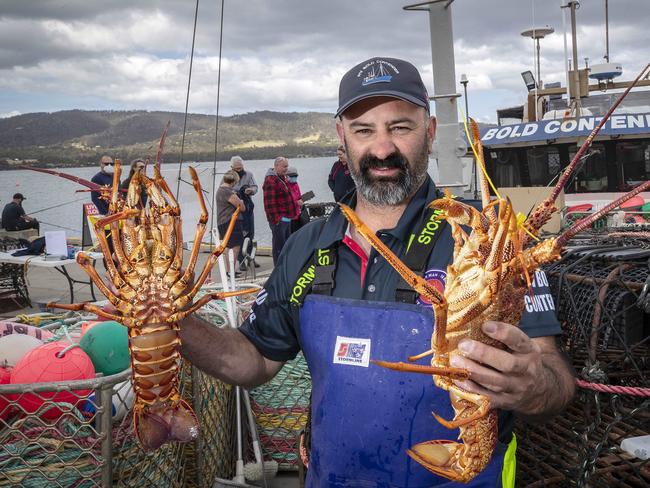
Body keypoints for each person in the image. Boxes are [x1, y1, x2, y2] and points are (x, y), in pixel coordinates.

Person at [180, 57, 575, 487]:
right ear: (341, 138)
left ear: (431, 129)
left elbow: (556, 378)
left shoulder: (498, 244)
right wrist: (170, 321)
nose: (383, 149)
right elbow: (253, 359)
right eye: (363, 129)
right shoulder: (305, 246)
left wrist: (535, 386)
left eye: (400, 127)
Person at [262, 156, 299, 264]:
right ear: (276, 166)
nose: (286, 169)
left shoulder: (282, 178)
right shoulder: (271, 180)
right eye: (284, 166)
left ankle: (285, 266)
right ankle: (278, 268)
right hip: (279, 220)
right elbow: (270, 203)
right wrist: (277, 219)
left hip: (286, 218)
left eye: (287, 166)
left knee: (286, 245)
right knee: (279, 246)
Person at [231, 156, 259, 271]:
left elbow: (255, 187)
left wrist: (251, 190)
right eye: (237, 169)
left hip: (247, 207)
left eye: (241, 168)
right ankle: (241, 260)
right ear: (232, 168)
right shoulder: (228, 177)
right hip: (235, 209)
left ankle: (251, 258)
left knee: (250, 234)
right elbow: (223, 190)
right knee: (239, 235)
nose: (239, 170)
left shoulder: (249, 174)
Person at [216, 170, 245, 277]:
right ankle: (230, 271)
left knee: (228, 246)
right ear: (233, 181)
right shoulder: (227, 192)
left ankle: (230, 270)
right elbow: (241, 207)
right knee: (235, 246)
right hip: (230, 222)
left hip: (222, 222)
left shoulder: (220, 190)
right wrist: (241, 200)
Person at [286, 166, 305, 233]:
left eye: (295, 176)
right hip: (288, 218)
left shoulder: (296, 184)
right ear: (286, 176)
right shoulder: (284, 186)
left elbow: (299, 197)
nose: (294, 177)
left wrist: (301, 201)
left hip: (297, 215)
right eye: (291, 176)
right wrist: (296, 202)